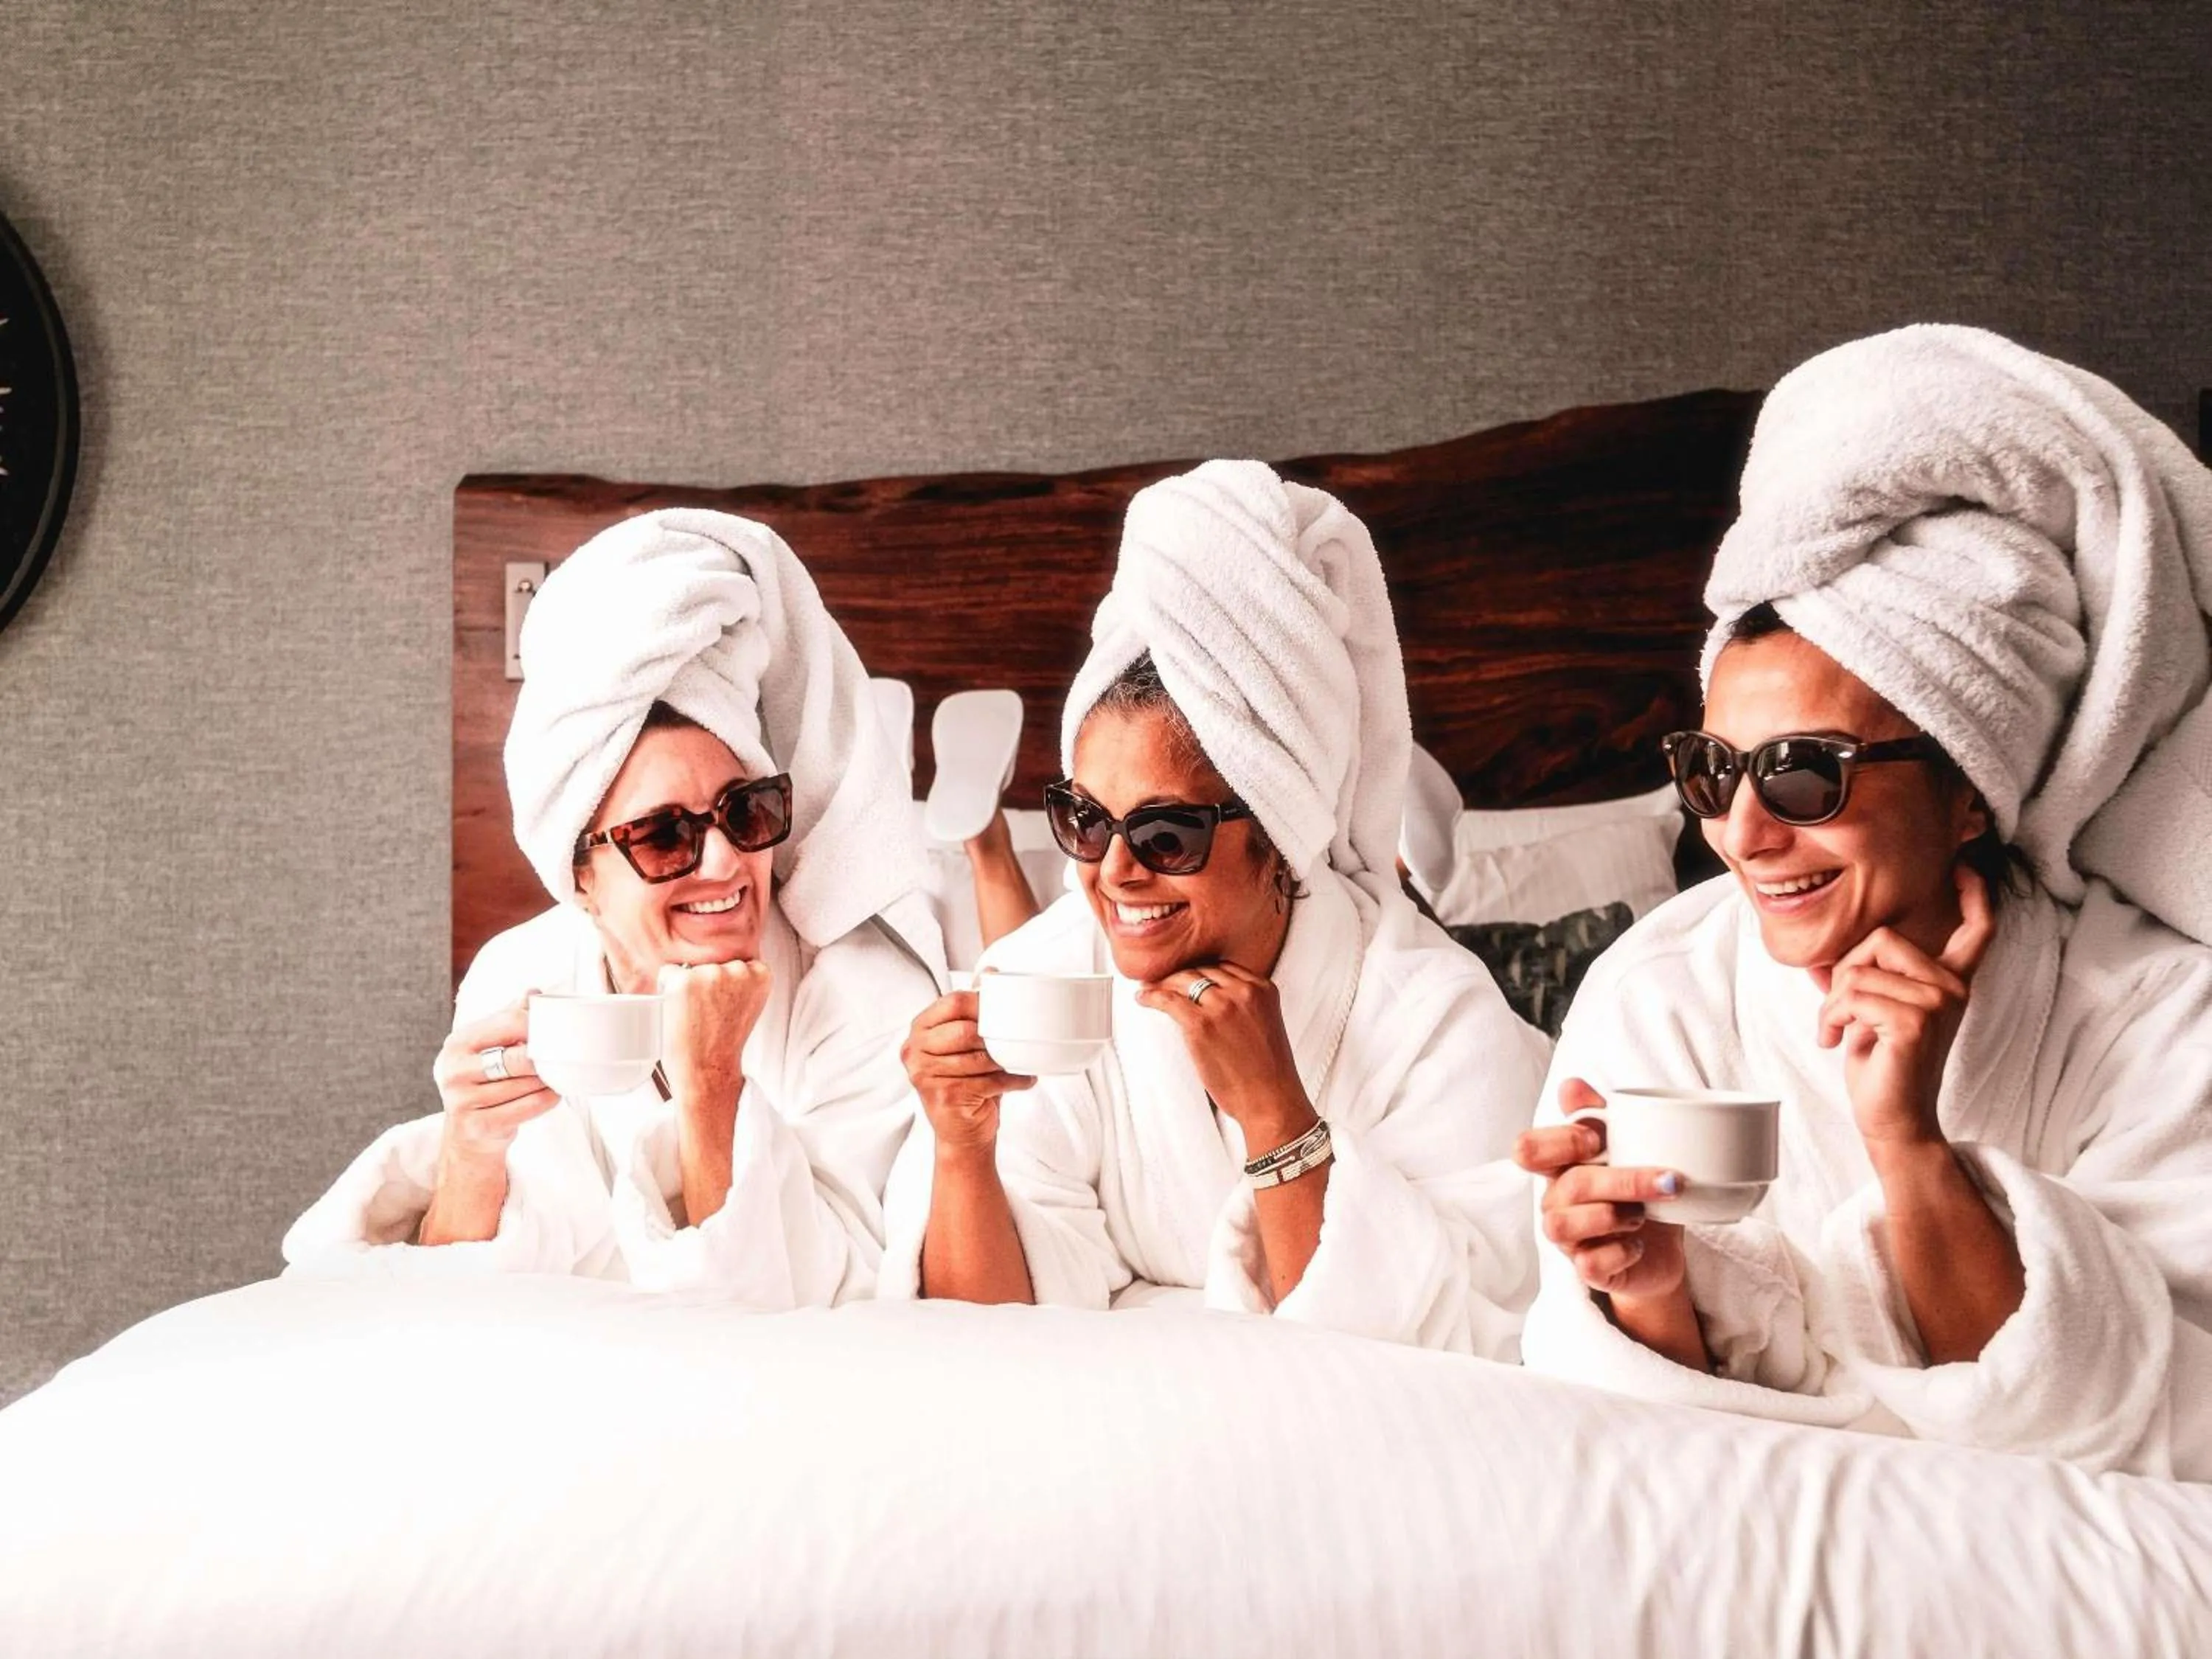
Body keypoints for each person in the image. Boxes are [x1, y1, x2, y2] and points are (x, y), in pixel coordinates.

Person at [1516, 325, 2212, 1478]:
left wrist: (1909, 1142)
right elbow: (1620, 1423)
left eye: (1803, 773)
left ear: (1971, 793)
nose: (1742, 833)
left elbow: (2162, 1417)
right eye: (1711, 771)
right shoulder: (1660, 991)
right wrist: (1644, 1288)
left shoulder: (2160, 1011)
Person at [880, 460, 1550, 1354]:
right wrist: (961, 1144)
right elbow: (981, 1340)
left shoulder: (1436, 1021)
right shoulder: (1039, 982)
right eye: (1084, 820)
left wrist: (1277, 1113)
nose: (1114, 871)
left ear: (1280, 827)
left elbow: (1456, 1347)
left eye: (1166, 835)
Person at [285, 509, 943, 1302]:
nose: (726, 859)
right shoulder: (522, 974)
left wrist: (711, 1081)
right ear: (581, 877)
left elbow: (833, 1294)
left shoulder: (864, 985)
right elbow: (449, 1301)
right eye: (664, 835)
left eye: (747, 809)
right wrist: (472, 1145)